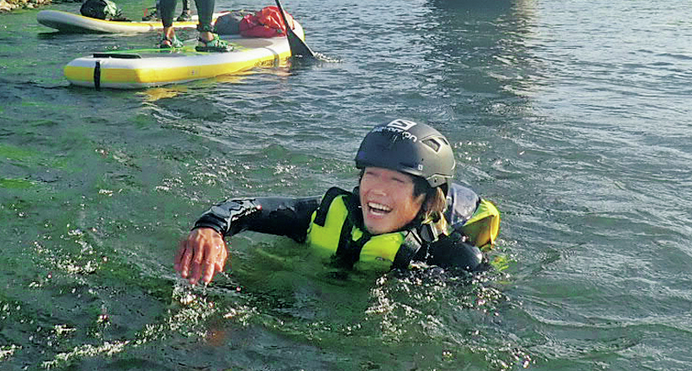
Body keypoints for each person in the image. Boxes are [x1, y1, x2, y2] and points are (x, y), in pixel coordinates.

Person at [174, 119, 501, 284]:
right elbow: (250, 207)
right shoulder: (326, 215)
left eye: (396, 181)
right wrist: (210, 228)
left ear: (427, 197)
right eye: (371, 175)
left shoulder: (451, 258)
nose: (377, 191)